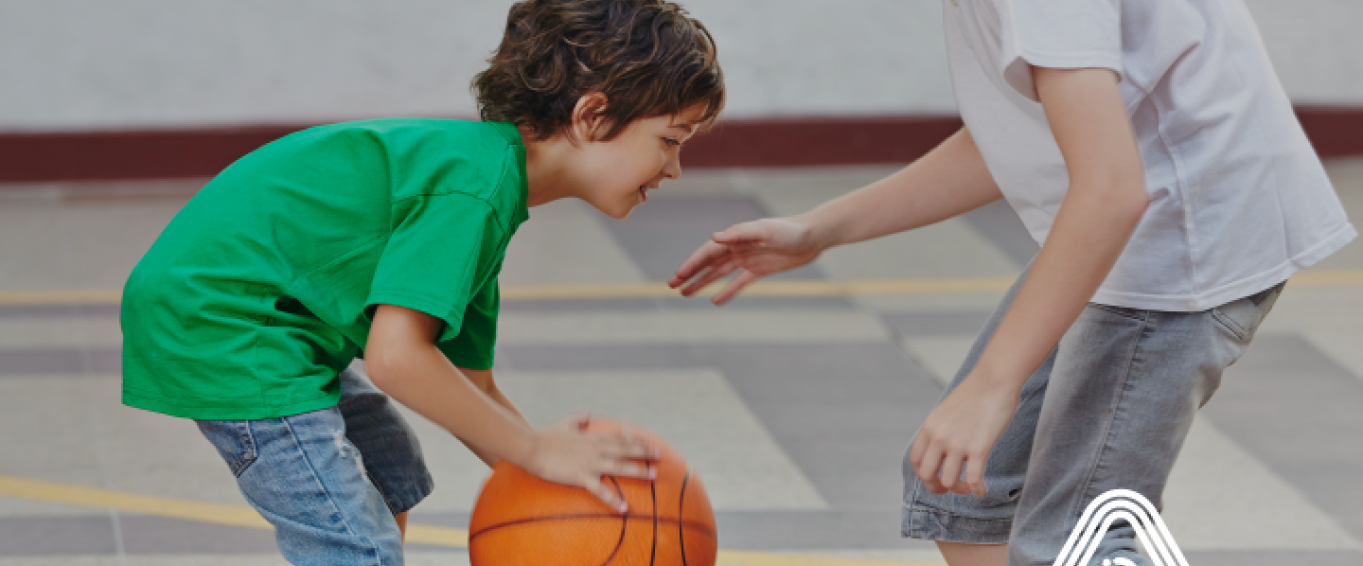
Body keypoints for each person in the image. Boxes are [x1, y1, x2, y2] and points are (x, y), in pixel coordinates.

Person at [667, 1, 1353, 565]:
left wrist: (993, 383)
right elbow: (1017, 137)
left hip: (1186, 244)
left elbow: (1112, 192)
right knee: (962, 491)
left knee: (1075, 541)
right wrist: (821, 230)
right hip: (1139, 231)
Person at [119, 1, 723, 563]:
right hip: (221, 321)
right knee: (358, 547)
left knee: (391, 465)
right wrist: (537, 452)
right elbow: (396, 359)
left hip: (258, 316)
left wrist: (553, 478)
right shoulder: (472, 190)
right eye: (669, 141)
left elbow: (473, 385)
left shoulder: (489, 186)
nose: (673, 167)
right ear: (592, 116)